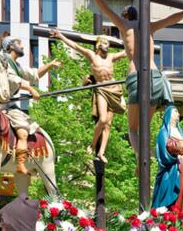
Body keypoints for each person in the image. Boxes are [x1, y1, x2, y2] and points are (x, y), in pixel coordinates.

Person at [82, 0, 183, 167]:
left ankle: (141, 157)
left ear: (125, 17)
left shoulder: (124, 25)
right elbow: (172, 19)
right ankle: (148, 157)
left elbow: (104, 8)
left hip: (137, 78)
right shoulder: (149, 26)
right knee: (144, 128)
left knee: (133, 129)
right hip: (155, 78)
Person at [49, 28, 129, 163]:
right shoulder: (92, 55)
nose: (107, 46)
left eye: (108, 44)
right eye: (105, 43)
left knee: (108, 124)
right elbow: (75, 46)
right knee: (102, 119)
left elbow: (126, 52)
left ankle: (101, 152)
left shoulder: (111, 57)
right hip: (101, 89)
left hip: (114, 90)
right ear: (99, 44)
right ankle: (92, 144)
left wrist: (136, 40)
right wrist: (60, 36)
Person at [0, 36, 61, 174]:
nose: (22, 46)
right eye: (19, 44)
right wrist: (31, 89)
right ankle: (20, 164)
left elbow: (34, 74)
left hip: (8, 105)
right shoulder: (3, 62)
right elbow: (13, 80)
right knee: (23, 132)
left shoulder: (16, 66)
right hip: (0, 104)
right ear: (11, 46)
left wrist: (49, 65)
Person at [151, 105, 183, 214]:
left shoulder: (180, 132)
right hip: (171, 168)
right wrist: (178, 146)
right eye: (175, 111)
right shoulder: (164, 132)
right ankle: (168, 218)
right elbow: (164, 149)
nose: (178, 114)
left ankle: (181, 218)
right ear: (169, 114)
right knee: (169, 192)